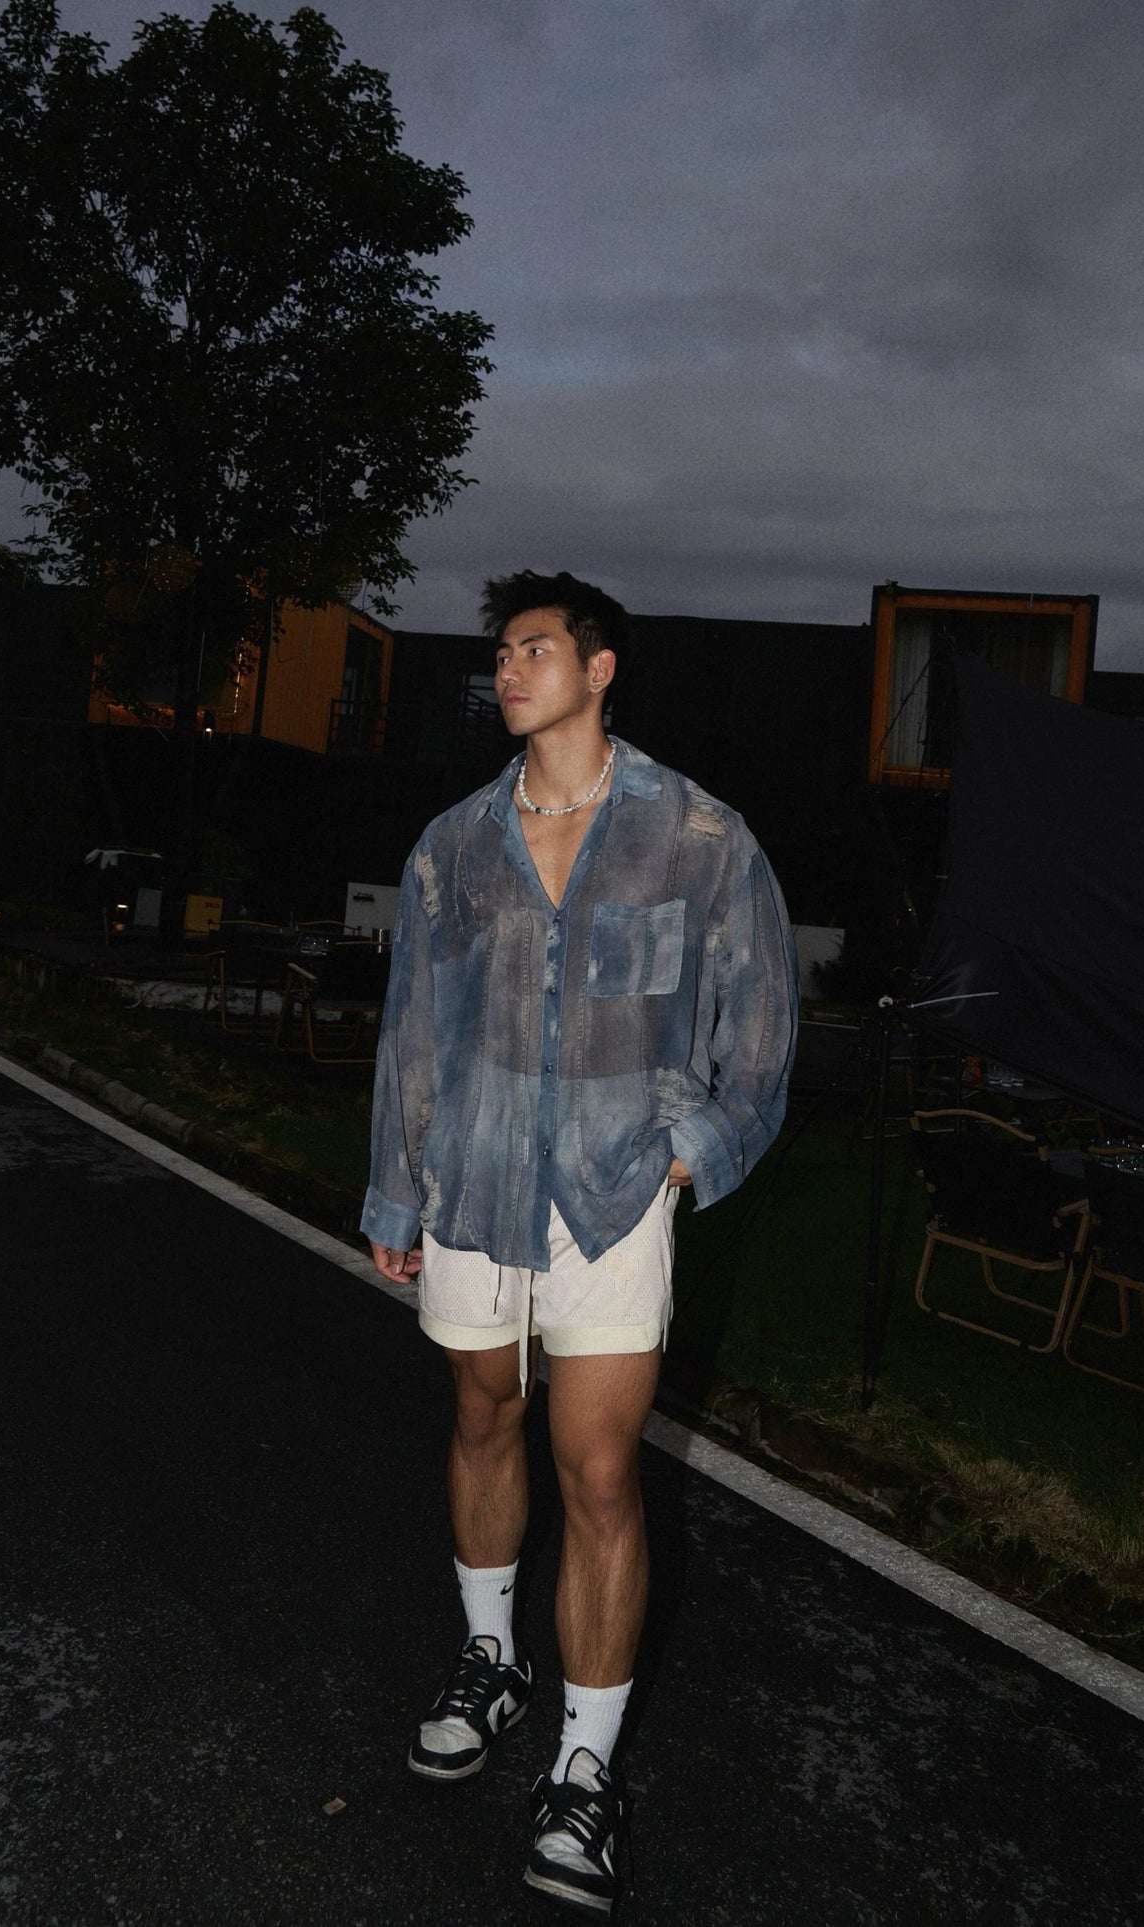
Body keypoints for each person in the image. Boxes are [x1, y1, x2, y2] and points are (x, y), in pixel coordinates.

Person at [364, 569, 797, 1917]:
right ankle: (490, 1661)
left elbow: (763, 1029)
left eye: (535, 647)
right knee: (481, 1417)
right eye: (500, 651)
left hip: (611, 1196)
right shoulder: (453, 844)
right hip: (473, 1182)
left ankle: (585, 1769)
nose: (507, 669)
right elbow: (412, 1031)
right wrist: (395, 1192)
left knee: (600, 1472)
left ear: (598, 670)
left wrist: (689, 1148)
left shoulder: (700, 835)